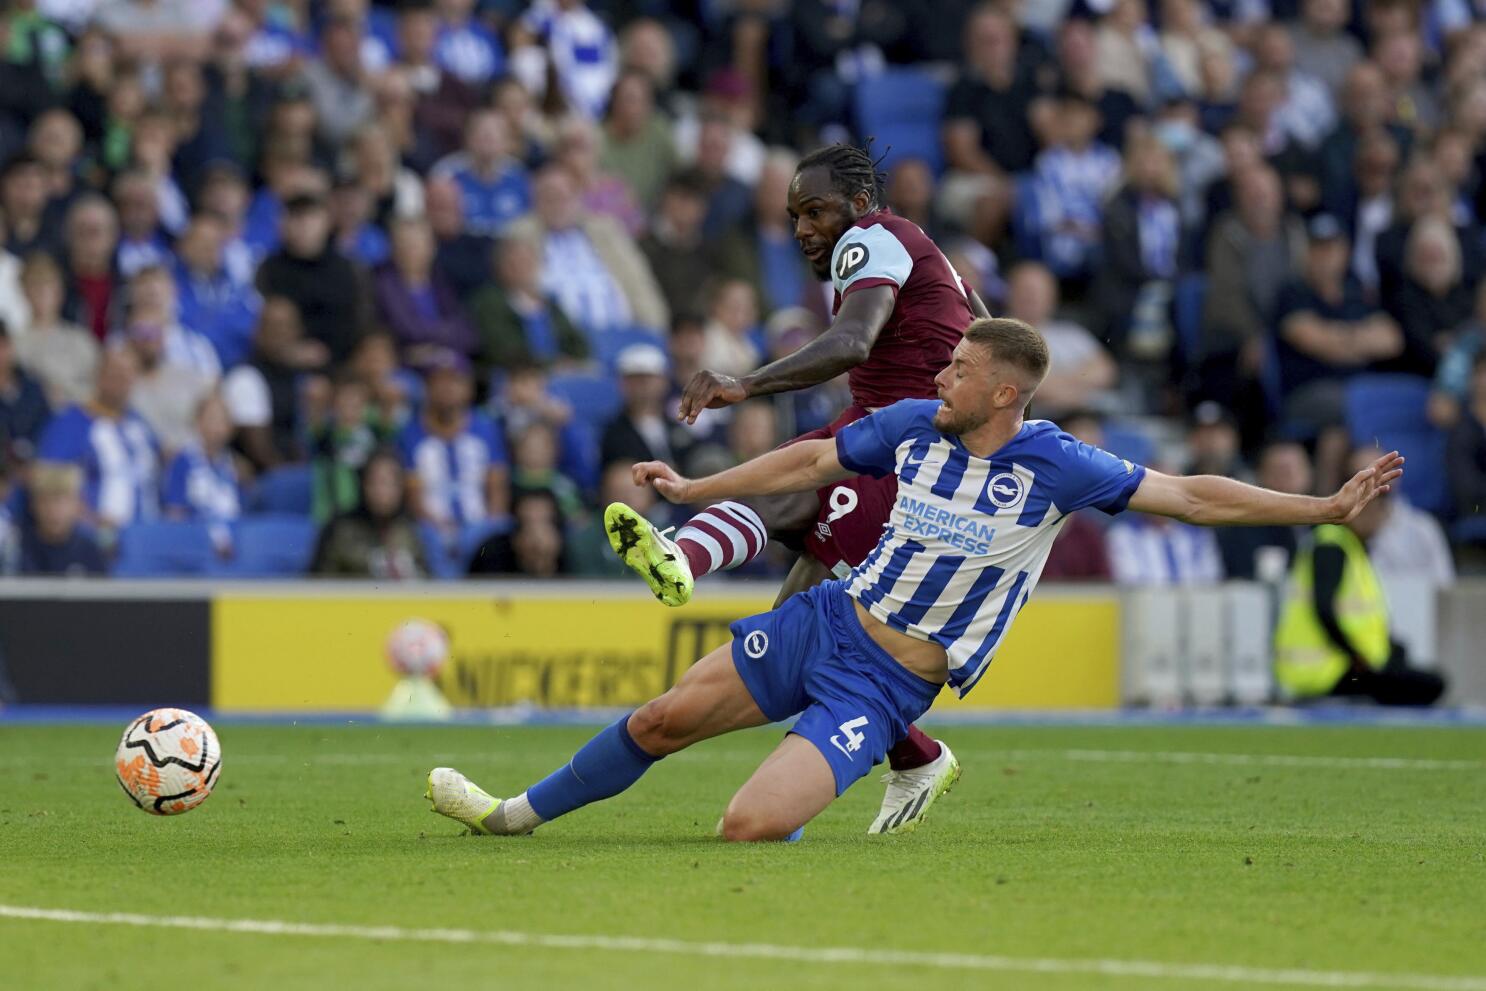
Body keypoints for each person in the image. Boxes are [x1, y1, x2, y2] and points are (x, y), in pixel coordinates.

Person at [427, 318, 1405, 841]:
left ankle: (843, 776)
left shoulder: (1056, 462)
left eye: (960, 368)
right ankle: (508, 815)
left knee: (745, 827)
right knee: (655, 722)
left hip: (884, 683)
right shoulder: (908, 426)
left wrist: (1318, 508)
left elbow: (1189, 494)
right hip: (826, 619)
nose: (941, 375)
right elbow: (807, 467)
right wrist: (694, 486)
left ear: (1005, 392)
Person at [599, 143, 991, 836]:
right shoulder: (915, 248)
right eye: (793, 215)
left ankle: (684, 559)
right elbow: (986, 327)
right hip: (885, 429)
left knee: (790, 489)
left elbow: (851, 343)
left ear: (860, 204)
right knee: (790, 638)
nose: (804, 227)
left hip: (910, 447)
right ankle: (911, 757)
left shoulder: (867, 242)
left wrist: (743, 382)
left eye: (816, 210)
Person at [1273, 458, 1446, 706]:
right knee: (1431, 684)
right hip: (1326, 672)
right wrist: (1356, 656)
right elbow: (1324, 608)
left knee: (1409, 668)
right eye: (1378, 511)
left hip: (1338, 666)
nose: (1380, 521)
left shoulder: (1347, 546)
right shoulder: (1331, 544)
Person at [36, 348, 159, 532]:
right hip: (95, 539)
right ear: (99, 375)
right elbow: (49, 484)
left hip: (148, 539)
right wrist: (90, 521)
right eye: (115, 374)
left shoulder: (140, 426)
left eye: (127, 375)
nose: (121, 382)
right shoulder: (72, 422)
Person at [397, 348, 510, 535]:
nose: (447, 388)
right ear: (427, 387)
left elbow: (497, 487)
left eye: (455, 380)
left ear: (468, 387)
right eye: (439, 380)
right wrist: (441, 529)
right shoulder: (409, 433)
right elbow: (413, 496)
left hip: (480, 526)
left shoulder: (486, 429)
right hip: (430, 531)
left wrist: (490, 529)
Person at [310, 446, 429, 579]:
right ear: (363, 485)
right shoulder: (340, 528)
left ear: (401, 488)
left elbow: (427, 583)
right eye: (375, 482)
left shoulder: (409, 529)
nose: (381, 491)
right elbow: (317, 583)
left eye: (389, 483)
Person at [161, 392, 241, 553]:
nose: (217, 426)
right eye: (212, 419)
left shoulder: (231, 464)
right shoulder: (183, 461)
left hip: (231, 544)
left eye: (223, 420)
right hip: (196, 546)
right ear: (197, 422)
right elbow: (174, 513)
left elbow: (235, 509)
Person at [16, 461, 106, 577]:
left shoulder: (90, 552)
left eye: (61, 501)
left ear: (78, 504)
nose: (53, 510)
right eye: (46, 501)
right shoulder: (17, 548)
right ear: (33, 504)